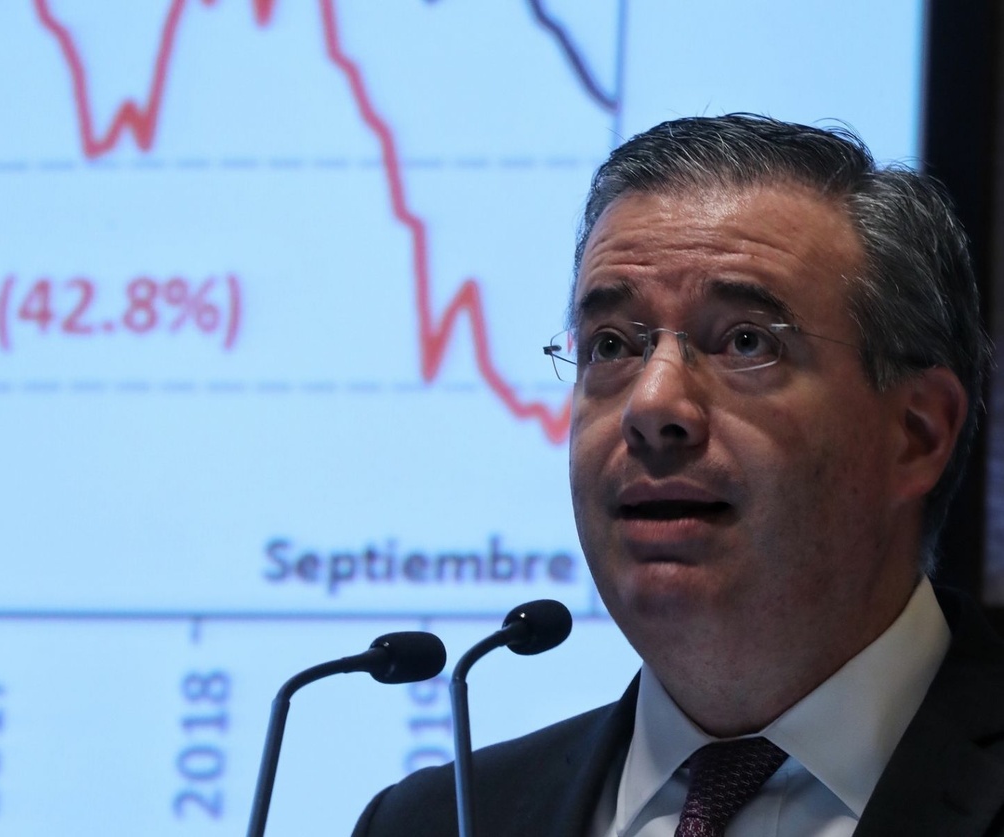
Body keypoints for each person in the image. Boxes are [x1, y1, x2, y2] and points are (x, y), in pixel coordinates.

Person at [352, 114, 1004, 836]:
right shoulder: (429, 822)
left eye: (745, 342)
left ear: (916, 433)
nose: (652, 405)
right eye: (611, 346)